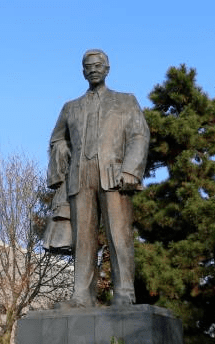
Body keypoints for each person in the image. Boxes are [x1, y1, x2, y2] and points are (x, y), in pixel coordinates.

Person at [48, 49, 150, 307]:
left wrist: (130, 170)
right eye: (88, 66)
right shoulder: (70, 107)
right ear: (83, 72)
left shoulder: (126, 101)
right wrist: (62, 158)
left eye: (98, 65)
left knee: (119, 235)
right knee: (82, 239)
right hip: (80, 177)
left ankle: (125, 292)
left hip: (114, 176)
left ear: (107, 69)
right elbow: (57, 138)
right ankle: (82, 295)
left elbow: (139, 135)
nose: (93, 69)